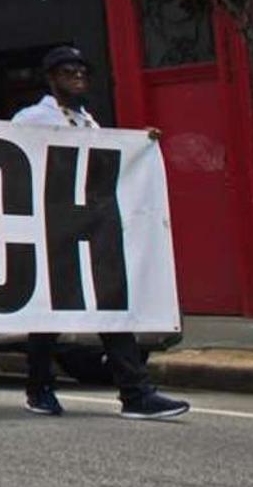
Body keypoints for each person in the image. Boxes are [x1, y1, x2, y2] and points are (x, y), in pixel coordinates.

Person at [14, 46, 190, 421]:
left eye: (82, 69)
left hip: (92, 228)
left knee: (111, 305)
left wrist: (139, 147)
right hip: (54, 228)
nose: (77, 75)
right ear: (51, 77)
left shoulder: (89, 123)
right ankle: (39, 387)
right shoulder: (32, 118)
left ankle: (135, 392)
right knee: (50, 315)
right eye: (67, 70)